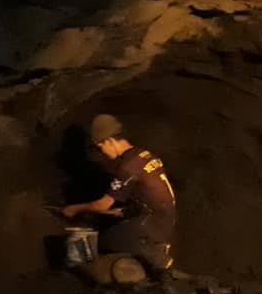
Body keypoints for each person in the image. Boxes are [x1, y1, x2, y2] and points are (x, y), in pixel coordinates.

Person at [62, 114, 177, 271]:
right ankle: (149, 255)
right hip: (165, 219)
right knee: (116, 228)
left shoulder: (128, 167)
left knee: (100, 241)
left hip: (152, 224)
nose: (102, 152)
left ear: (109, 140)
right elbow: (151, 197)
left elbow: (102, 204)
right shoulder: (143, 155)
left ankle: (154, 256)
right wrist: (121, 212)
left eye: (101, 147)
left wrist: (75, 209)